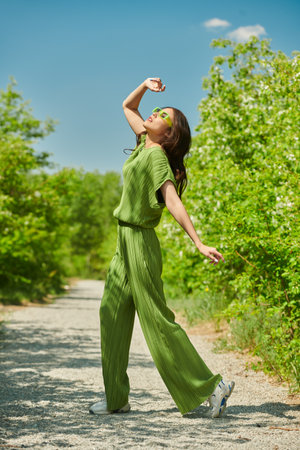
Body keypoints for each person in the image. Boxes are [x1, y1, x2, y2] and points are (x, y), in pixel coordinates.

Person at [89, 78, 235, 418]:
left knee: (156, 322)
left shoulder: (157, 158)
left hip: (140, 242)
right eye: (155, 111)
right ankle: (116, 398)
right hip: (123, 242)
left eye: (163, 116)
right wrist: (143, 85)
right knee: (111, 314)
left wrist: (198, 242)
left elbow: (172, 201)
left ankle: (212, 387)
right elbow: (128, 106)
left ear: (170, 135)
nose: (154, 114)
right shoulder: (143, 141)